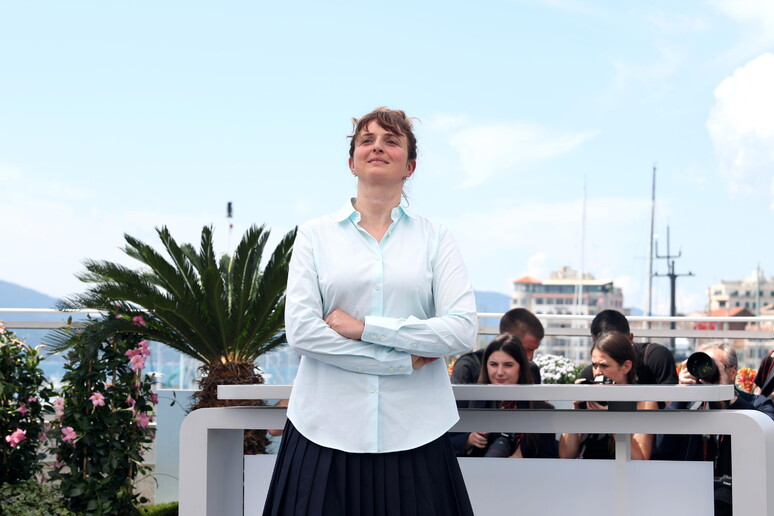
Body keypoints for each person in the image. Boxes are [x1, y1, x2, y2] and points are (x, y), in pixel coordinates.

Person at [263, 107, 477, 516]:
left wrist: (364, 329)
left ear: (410, 166)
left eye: (391, 141)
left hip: (416, 432)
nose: (377, 146)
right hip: (323, 431)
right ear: (352, 163)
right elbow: (303, 332)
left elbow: (462, 330)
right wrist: (397, 361)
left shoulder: (436, 238)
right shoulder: (314, 236)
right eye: (367, 140)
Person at [654, 342, 774, 516]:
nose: (705, 372)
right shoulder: (688, 406)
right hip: (691, 498)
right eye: (701, 366)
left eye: (713, 366)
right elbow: (662, 447)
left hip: (742, 499)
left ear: (732, 372)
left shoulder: (757, 403)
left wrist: (728, 400)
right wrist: (680, 396)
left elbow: (766, 436)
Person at [450, 334, 557, 458]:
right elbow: (447, 443)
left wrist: (522, 454)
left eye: (508, 365)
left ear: (521, 368)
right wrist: (468, 440)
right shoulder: (470, 401)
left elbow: (549, 454)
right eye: (493, 364)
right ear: (485, 366)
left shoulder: (541, 410)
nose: (500, 372)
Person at [559, 331, 658, 460]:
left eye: (604, 366)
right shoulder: (590, 400)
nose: (597, 372)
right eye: (594, 365)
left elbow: (639, 459)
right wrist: (575, 408)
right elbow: (566, 456)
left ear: (626, 367)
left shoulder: (644, 403)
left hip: (622, 472)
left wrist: (612, 419)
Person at [578, 309, 678, 386]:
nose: (598, 371)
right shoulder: (592, 374)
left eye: (613, 346)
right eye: (599, 345)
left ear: (630, 339)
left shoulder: (656, 357)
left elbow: (670, 401)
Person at [451, 307, 544, 385]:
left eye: (508, 365)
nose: (530, 357)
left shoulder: (531, 369)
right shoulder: (467, 367)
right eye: (526, 350)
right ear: (507, 337)